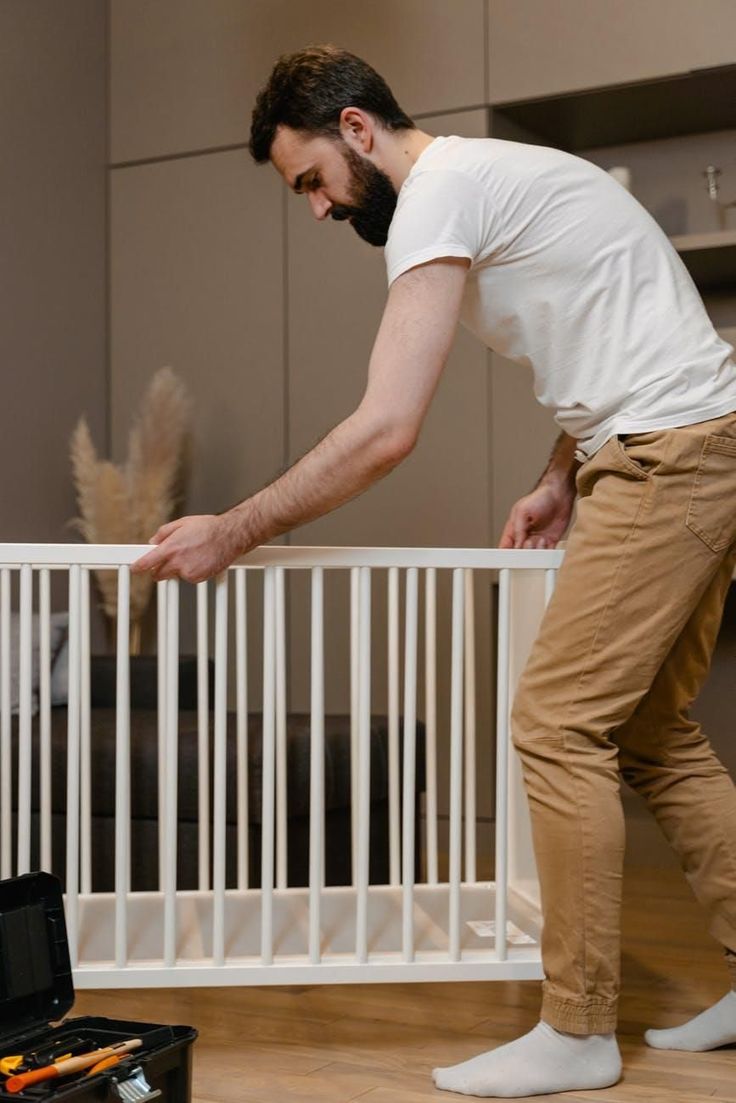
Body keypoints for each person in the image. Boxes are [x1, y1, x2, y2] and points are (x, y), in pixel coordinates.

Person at [132, 45, 736, 1099]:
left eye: (310, 180)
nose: (316, 209)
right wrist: (565, 469)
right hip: (677, 438)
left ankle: (578, 1027)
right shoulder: (488, 181)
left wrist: (232, 529)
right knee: (644, 728)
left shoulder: (438, 197)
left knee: (555, 723)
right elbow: (616, 323)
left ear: (356, 130)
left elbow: (383, 430)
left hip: (673, 452)